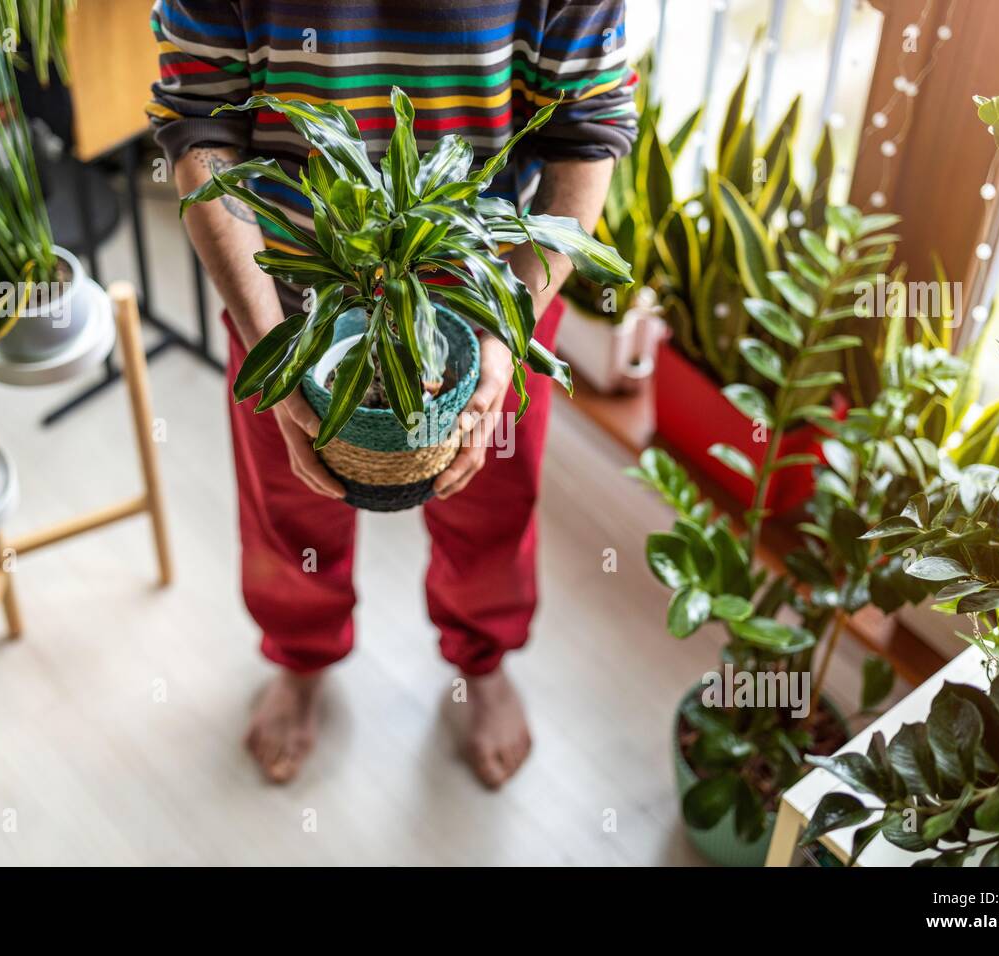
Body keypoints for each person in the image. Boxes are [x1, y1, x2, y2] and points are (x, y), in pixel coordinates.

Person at [148, 0, 637, 787]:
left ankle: (480, 659)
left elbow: (586, 131)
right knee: (289, 510)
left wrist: (506, 334)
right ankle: (301, 657)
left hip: (485, 302)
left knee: (490, 506)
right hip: (288, 302)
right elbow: (200, 125)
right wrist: (274, 349)